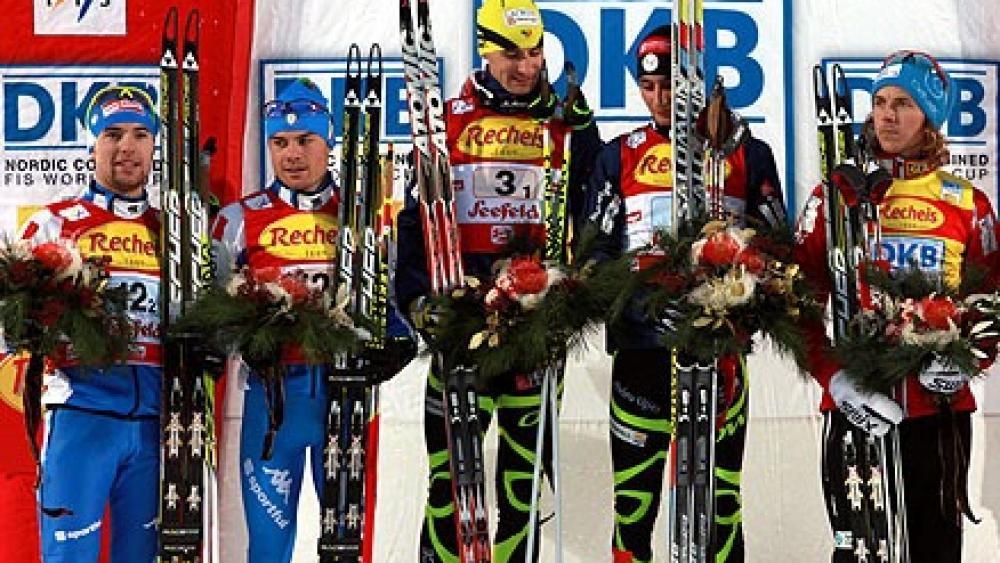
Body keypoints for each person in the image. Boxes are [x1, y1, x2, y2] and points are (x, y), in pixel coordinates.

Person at [394, 0, 601, 560]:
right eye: (512, 54)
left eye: (535, 52)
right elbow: (416, 220)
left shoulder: (564, 118)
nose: (526, 66)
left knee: (521, 488)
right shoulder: (448, 118)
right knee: (452, 483)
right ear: (486, 49)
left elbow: (594, 209)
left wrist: (575, 291)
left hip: (531, 321)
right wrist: (415, 301)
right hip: (463, 317)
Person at [581, 26, 786, 563]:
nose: (660, 98)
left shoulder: (748, 154)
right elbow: (595, 253)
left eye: (669, 85)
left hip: (719, 352)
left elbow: (778, 252)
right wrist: (634, 292)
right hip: (642, 349)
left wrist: (741, 293)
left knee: (719, 504)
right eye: (647, 88)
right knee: (633, 507)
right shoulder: (617, 156)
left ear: (694, 81)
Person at [793, 51, 1000, 563]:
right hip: (857, 407)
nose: (887, 115)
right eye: (880, 102)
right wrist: (833, 378)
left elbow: (991, 304)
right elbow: (796, 302)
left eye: (903, 103)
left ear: (929, 115)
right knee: (859, 553)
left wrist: (969, 358)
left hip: (938, 413)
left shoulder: (966, 203)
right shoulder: (837, 196)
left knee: (935, 550)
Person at [211, 78, 413, 563]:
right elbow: (211, 308)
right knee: (268, 547)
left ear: (329, 142)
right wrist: (241, 336)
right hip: (273, 401)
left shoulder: (364, 216)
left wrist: (399, 339)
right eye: (280, 142)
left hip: (346, 399)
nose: (292, 155)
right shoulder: (238, 219)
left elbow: (393, 297)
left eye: (306, 141)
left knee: (347, 548)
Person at [18, 85, 162, 562]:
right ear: (92, 145)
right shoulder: (54, 224)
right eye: (113, 134)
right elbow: (9, 323)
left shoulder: (176, 232)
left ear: (154, 146)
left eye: (141, 134)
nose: (127, 146)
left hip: (155, 428)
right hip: (82, 418)